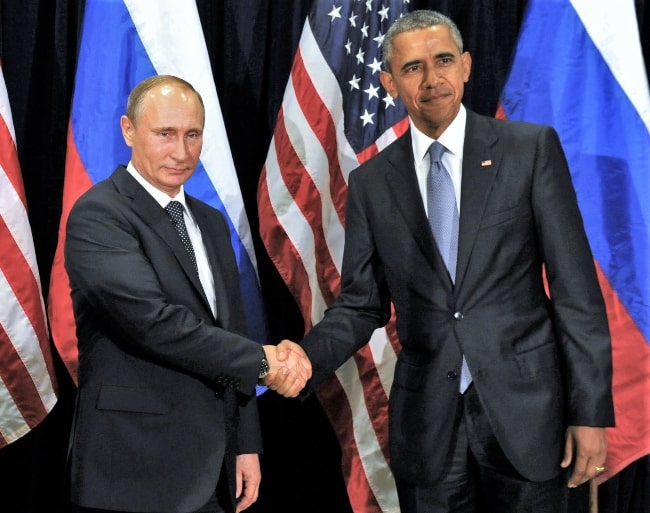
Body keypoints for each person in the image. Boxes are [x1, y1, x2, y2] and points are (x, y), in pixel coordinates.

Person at [269, 9, 615, 513]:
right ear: (389, 82)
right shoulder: (371, 183)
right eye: (412, 68)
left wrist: (590, 414)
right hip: (429, 426)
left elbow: (575, 291)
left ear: (467, 65)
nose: (432, 79)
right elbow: (361, 305)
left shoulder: (529, 150)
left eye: (444, 60)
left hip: (528, 416)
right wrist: (304, 358)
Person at [64, 75, 311, 513]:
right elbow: (153, 323)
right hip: (132, 467)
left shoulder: (211, 222)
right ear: (128, 130)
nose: (181, 152)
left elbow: (232, 327)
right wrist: (264, 362)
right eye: (165, 134)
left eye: (192, 135)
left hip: (213, 468)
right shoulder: (99, 214)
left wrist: (245, 442)